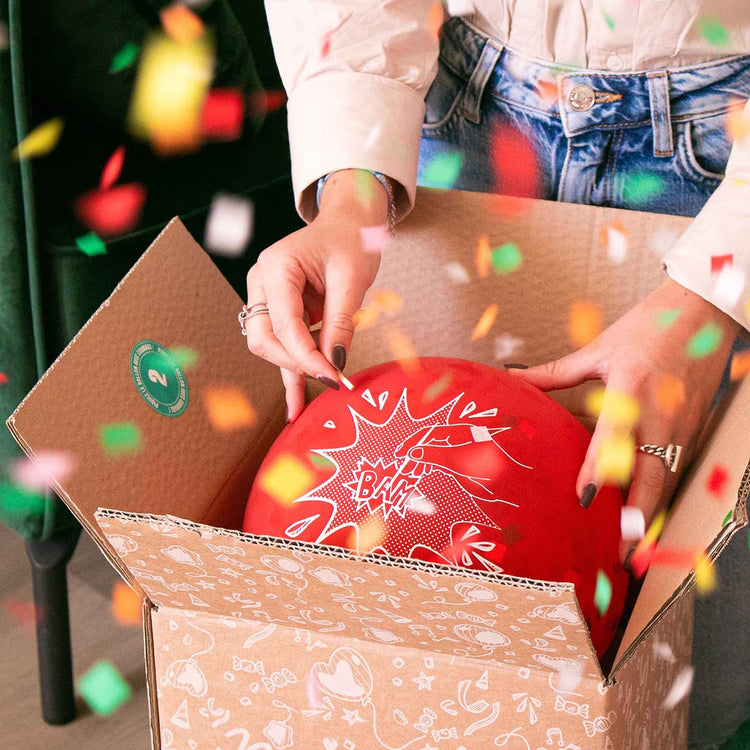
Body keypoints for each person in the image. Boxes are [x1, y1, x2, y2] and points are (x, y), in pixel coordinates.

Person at [243, 2, 750, 746]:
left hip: (725, 158)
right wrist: (350, 195)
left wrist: (718, 292)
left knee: (698, 671)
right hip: (457, 118)